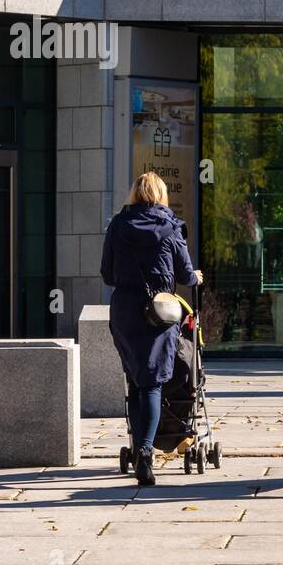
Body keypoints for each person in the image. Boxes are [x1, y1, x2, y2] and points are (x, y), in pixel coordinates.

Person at [101, 172, 202, 486]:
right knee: (153, 384)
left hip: (125, 311)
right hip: (159, 313)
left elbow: (106, 274)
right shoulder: (171, 227)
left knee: (135, 380)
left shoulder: (118, 226)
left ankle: (137, 448)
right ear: (161, 195)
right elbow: (185, 274)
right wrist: (196, 277)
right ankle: (145, 452)